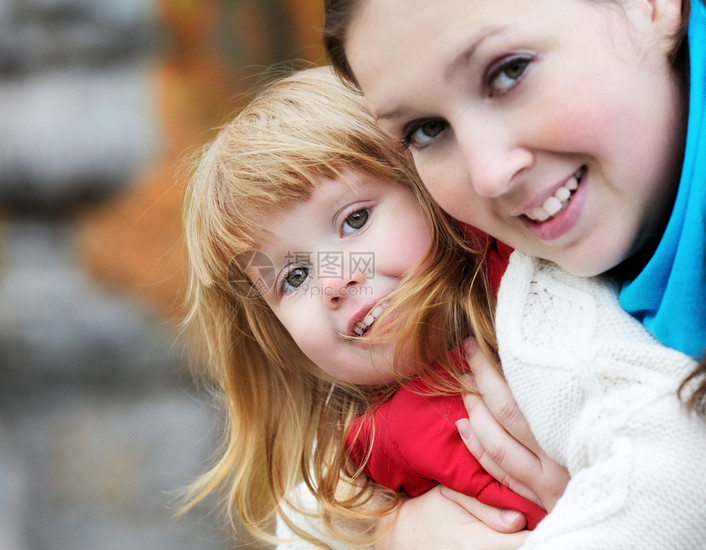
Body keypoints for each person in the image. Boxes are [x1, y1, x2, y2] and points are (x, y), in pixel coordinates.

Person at [321, 0, 706, 547]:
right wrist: (385, 532)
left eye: (509, 71)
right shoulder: (491, 246)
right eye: (426, 129)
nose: (489, 174)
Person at [179, 66, 542, 549]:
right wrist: (395, 537)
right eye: (295, 277)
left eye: (354, 220)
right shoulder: (348, 485)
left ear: (428, 187)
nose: (334, 280)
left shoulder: (548, 286)